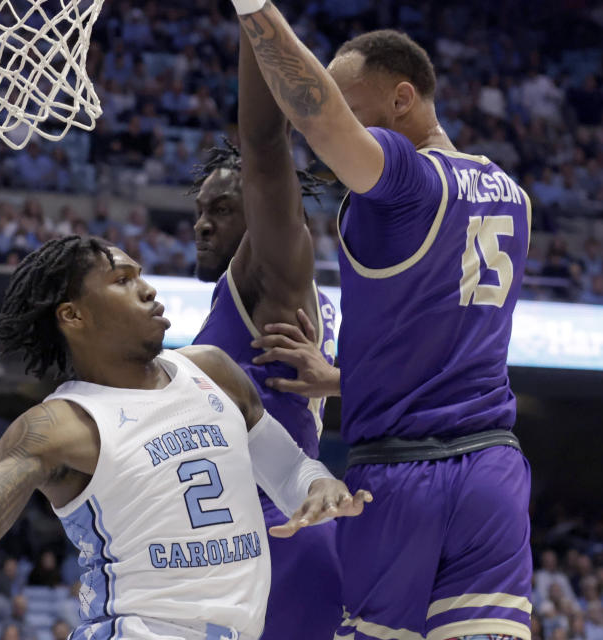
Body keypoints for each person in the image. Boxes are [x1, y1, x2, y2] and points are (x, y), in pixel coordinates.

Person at [0, 236, 371, 640]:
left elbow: (291, 472)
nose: (148, 288)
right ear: (73, 315)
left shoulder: (213, 371)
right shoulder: (57, 426)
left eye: (140, 274)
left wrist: (319, 488)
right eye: (123, 280)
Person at [229, 4, 533, 640]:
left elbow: (316, 118)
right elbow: (443, 351)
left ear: (402, 100)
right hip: (493, 475)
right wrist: (345, 379)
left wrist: (252, 9)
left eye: (352, 100)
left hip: (400, 479)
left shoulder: (408, 182)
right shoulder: (511, 191)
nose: (342, 114)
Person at [189, 30, 341, 640]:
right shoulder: (302, 302)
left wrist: (254, 20)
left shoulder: (271, 272)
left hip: (278, 528)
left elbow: (263, 143)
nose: (201, 224)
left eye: (221, 210)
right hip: (250, 532)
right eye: (199, 211)